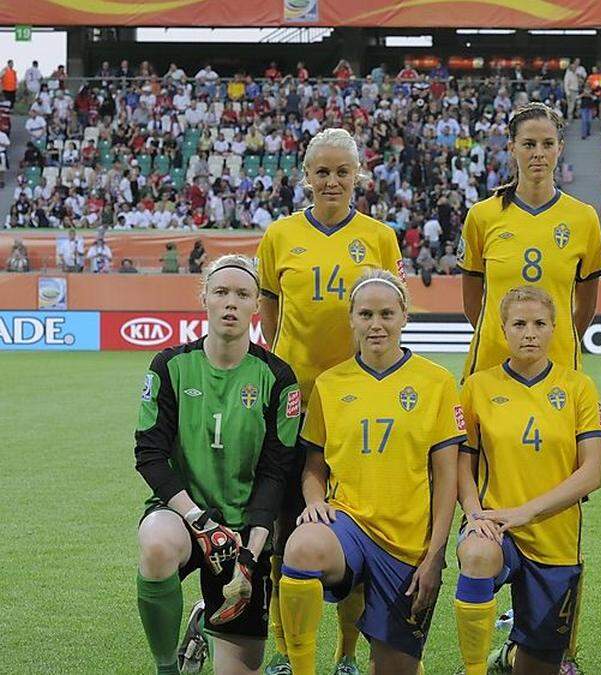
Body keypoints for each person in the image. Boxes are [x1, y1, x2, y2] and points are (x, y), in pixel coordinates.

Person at [255, 127, 403, 675]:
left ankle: (345, 654)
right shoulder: (279, 235)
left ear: (358, 175)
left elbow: (387, 308)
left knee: (357, 526)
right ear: (306, 176)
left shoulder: (380, 238)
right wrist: (288, 369)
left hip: (357, 407)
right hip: (294, 404)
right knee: (284, 529)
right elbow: (271, 312)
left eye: (343, 171)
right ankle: (286, 650)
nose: (333, 181)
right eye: (323, 171)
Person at [277, 269, 462, 675]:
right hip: (349, 524)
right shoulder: (330, 383)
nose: (376, 324)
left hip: (408, 545)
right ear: (352, 320)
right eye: (365, 315)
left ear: (403, 316)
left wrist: (435, 556)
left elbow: (447, 477)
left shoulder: (438, 382)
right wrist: (313, 502)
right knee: (302, 546)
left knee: (395, 668)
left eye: (385, 314)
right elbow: (313, 466)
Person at [134, 254, 300, 675]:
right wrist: (200, 521)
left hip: (246, 531)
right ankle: (167, 666)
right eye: (221, 292)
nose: (231, 302)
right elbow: (149, 454)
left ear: (256, 306)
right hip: (186, 518)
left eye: (242, 294)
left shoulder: (278, 377)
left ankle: (206, 617)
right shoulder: (170, 366)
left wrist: (251, 551)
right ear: (204, 298)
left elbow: (276, 471)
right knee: (155, 545)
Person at [454, 286, 601, 675]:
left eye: (540, 323)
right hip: (496, 529)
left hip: (555, 537)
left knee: (538, 665)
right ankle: (473, 669)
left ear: (555, 329)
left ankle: (509, 656)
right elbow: (462, 465)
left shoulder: (578, 388)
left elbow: (591, 473)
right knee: (476, 555)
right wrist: (475, 515)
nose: (530, 333)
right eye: (519, 324)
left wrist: (526, 512)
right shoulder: (477, 387)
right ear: (503, 330)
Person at [459, 102, 601, 381]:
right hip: (492, 365)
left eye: (547, 143)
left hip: (559, 365)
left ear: (560, 148)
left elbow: (586, 307)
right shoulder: (482, 216)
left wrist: (554, 337)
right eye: (528, 144)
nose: (538, 153)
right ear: (511, 148)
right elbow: (471, 303)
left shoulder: (584, 219)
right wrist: (505, 336)